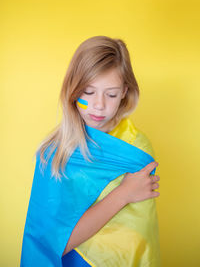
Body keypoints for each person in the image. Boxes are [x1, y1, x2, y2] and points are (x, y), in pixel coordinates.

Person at [20, 35, 161, 267]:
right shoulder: (56, 152)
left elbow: (139, 234)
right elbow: (51, 242)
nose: (98, 105)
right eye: (88, 92)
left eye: (111, 94)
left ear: (125, 91)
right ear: (73, 90)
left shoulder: (136, 147)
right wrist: (124, 194)